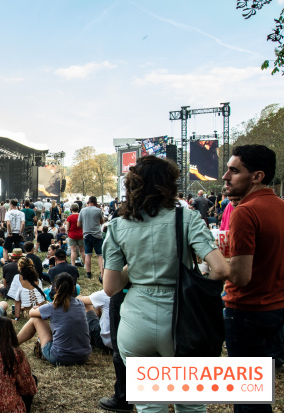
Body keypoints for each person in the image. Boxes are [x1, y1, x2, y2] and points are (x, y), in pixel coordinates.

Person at [103, 155, 229, 413]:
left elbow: (111, 287)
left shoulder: (118, 225)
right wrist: (199, 286)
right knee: (191, 404)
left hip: (136, 320)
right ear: (169, 185)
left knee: (150, 405)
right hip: (182, 318)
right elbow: (221, 269)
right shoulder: (188, 218)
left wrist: (135, 267)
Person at [219, 144, 284, 413]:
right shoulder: (280, 205)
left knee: (248, 398)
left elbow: (241, 276)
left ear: (256, 176)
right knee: (259, 392)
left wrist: (215, 266)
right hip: (276, 308)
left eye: (234, 171)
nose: (225, 177)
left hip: (247, 311)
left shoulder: (245, 211)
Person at [18, 273, 91, 366]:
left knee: (35, 319)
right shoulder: (80, 304)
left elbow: (31, 313)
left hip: (60, 357)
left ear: (55, 289)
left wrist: (36, 307)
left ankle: (12, 345)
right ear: (73, 288)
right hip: (83, 356)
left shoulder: (53, 306)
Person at [78, 196, 105, 279]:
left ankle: (88, 273)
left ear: (88, 202)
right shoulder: (98, 210)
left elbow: (78, 224)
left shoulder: (82, 211)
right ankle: (101, 273)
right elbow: (101, 222)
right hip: (97, 235)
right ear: (96, 202)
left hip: (86, 235)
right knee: (100, 255)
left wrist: (85, 226)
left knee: (88, 255)